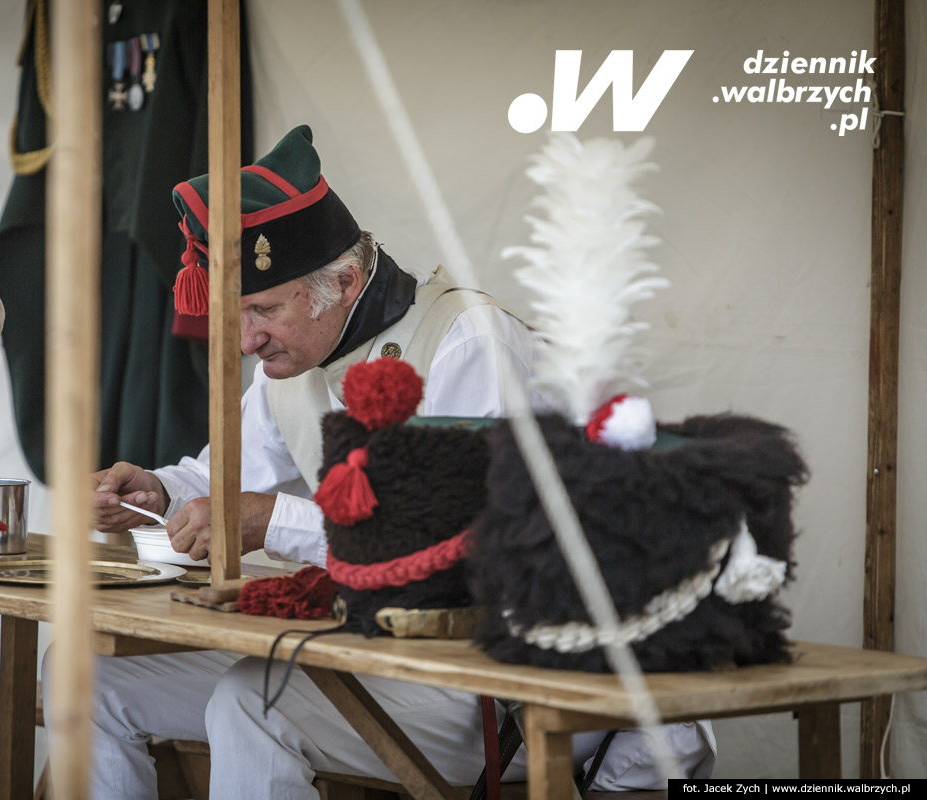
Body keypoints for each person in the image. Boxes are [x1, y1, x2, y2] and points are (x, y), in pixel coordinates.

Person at [43, 125, 716, 799]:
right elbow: (229, 481)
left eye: (264, 309)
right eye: (235, 313)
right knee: (82, 672)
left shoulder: (468, 347)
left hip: (512, 681)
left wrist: (273, 521)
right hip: (387, 651)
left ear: (344, 281)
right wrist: (158, 492)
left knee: (254, 700)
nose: (247, 340)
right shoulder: (294, 361)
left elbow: (454, 551)